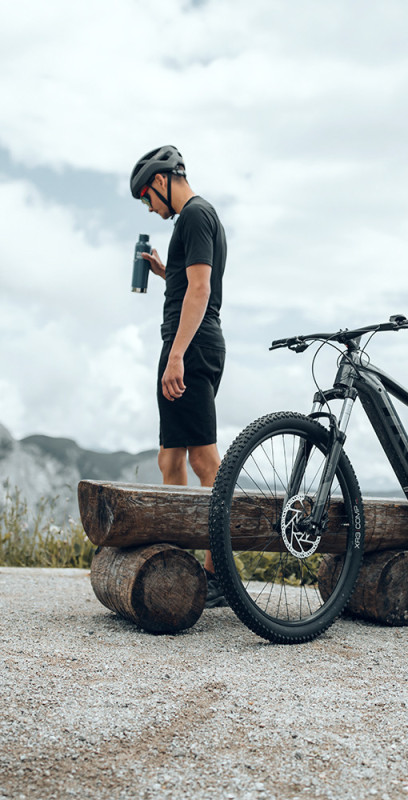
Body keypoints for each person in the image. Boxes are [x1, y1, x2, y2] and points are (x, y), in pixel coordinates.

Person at [129, 145, 228, 608]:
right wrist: (165, 272)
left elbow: (203, 289)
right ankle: (182, 565)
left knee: (205, 463)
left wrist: (177, 358)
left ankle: (218, 573)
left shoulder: (194, 215)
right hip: (188, 345)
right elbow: (190, 280)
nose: (150, 207)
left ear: (163, 181)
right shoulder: (198, 219)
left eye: (148, 196)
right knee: (170, 461)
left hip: (190, 348)